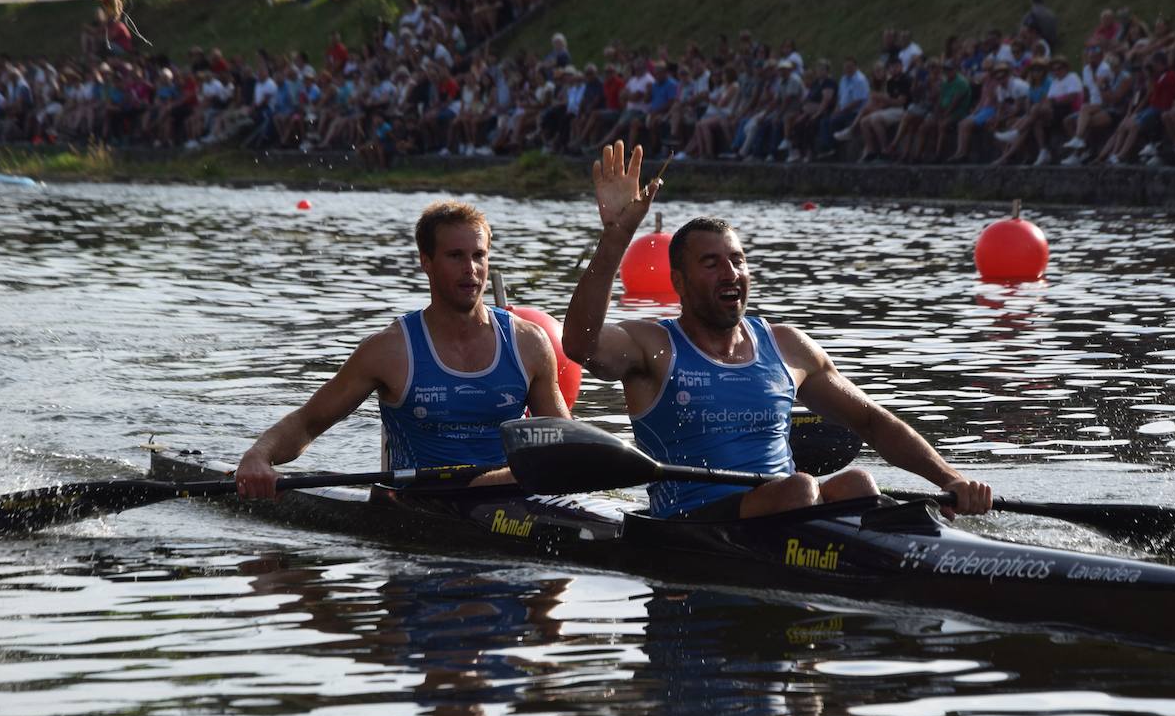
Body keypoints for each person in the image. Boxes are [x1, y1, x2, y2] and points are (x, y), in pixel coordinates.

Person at [561, 141, 993, 521]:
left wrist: (951, 479)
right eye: (711, 264)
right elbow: (580, 344)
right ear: (678, 281)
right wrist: (617, 237)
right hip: (692, 523)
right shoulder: (653, 345)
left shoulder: (786, 346)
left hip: (787, 512)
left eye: (738, 260)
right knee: (802, 488)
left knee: (858, 483)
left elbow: (872, 422)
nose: (731, 273)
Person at [235, 201, 570, 498]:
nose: (471, 269)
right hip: (422, 502)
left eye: (478, 256)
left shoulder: (530, 343)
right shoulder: (389, 350)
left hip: (510, 494)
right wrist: (258, 456)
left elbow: (565, 443)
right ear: (426, 261)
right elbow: (308, 423)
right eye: (456, 256)